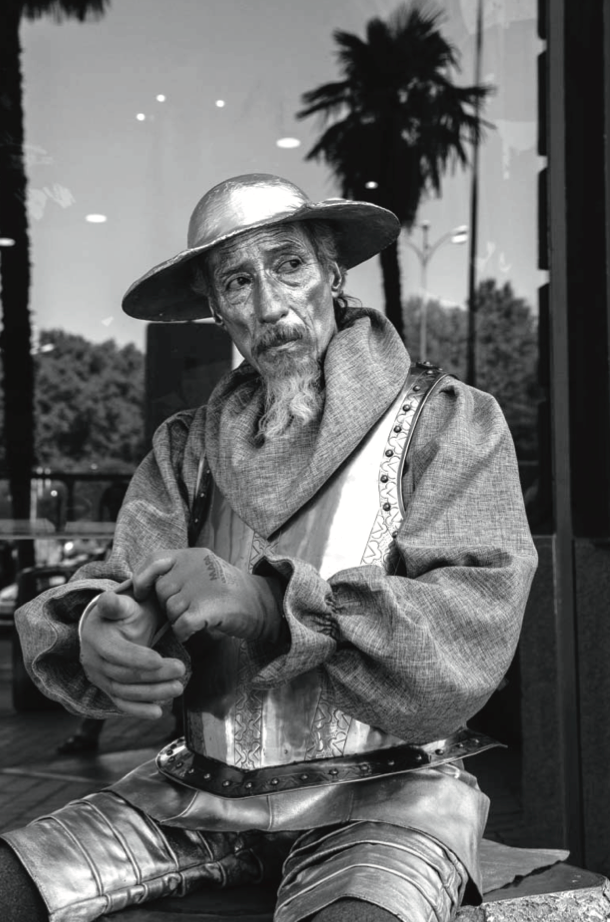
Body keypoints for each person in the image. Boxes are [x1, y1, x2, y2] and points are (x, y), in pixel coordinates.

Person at [0, 174, 537, 922]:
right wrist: (100, 627)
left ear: (332, 274)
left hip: (392, 795)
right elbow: (118, 583)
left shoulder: (447, 421)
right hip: (198, 791)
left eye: (289, 266)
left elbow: (470, 627)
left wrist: (268, 605)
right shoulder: (185, 449)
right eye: (237, 282)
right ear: (215, 308)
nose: (269, 304)